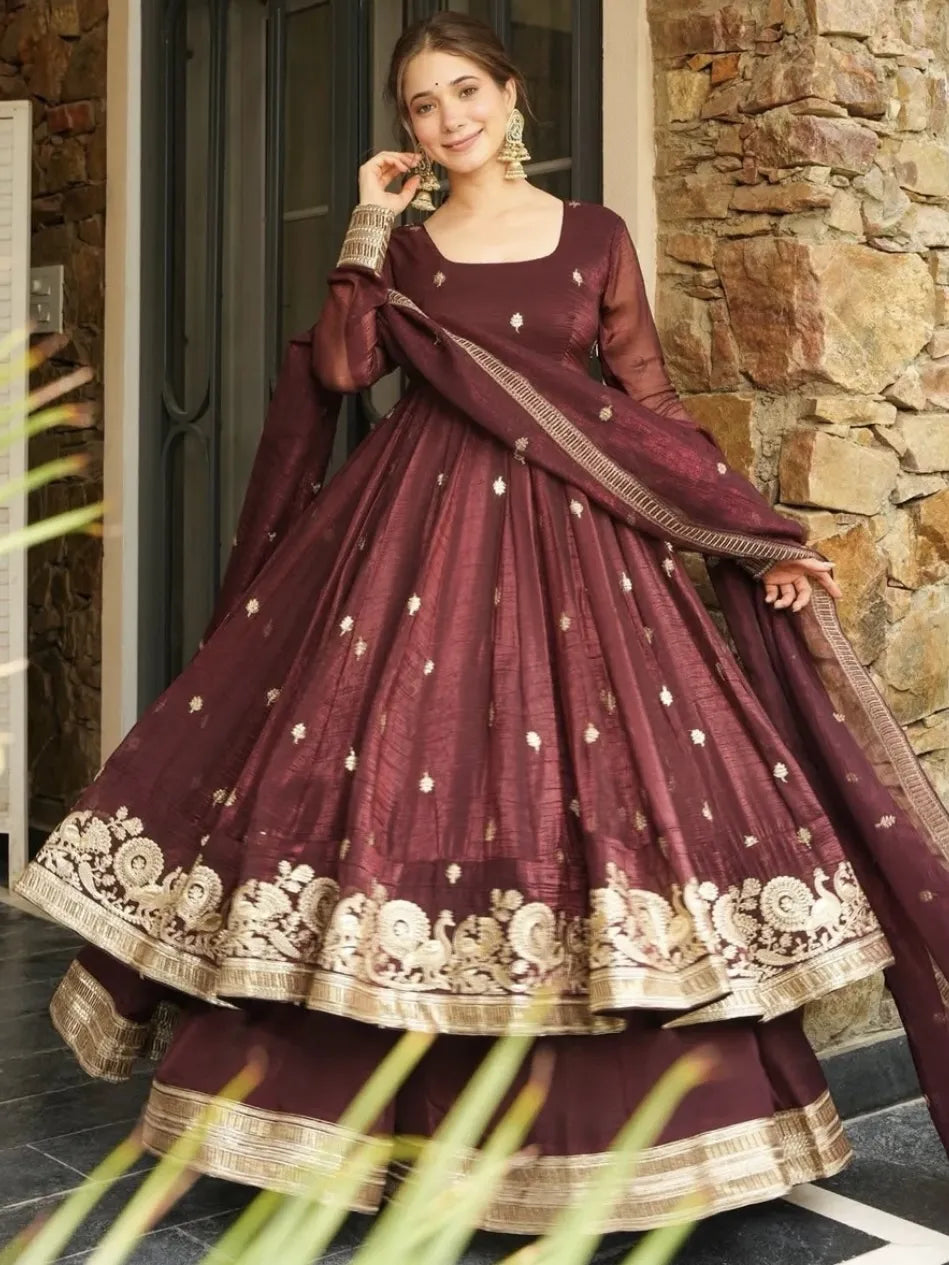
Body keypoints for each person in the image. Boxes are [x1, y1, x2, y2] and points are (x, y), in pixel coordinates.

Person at [15, 10, 949, 1236]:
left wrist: (749, 533)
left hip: (588, 557)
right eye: (422, 104)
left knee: (602, 804)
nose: (448, 117)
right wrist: (366, 224)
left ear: (511, 98)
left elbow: (646, 405)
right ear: (406, 130)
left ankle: (618, 1139)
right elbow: (342, 369)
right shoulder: (403, 250)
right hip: (408, 549)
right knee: (384, 791)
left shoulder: (594, 236)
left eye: (465, 91)